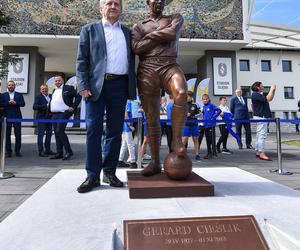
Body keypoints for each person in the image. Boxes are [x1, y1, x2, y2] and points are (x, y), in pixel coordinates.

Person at [76, 0, 136, 193]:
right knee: (93, 130)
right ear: (101, 8)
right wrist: (83, 85)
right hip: (95, 87)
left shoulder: (128, 33)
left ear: (121, 8)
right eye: (108, 3)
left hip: (119, 86)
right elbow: (82, 60)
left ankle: (109, 172)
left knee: (115, 130)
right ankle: (92, 175)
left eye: (116, 4)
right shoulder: (89, 30)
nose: (112, 6)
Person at [132, 0, 188, 176]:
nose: (160, 1)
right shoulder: (138, 26)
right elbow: (136, 48)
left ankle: (177, 140)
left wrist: (149, 37)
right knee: (151, 117)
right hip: (147, 69)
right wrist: (158, 36)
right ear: (148, 2)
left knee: (181, 92)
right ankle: (155, 162)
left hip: (169, 64)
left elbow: (172, 33)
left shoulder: (175, 18)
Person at [49, 75, 81, 161]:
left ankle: (69, 151)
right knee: (56, 133)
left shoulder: (69, 88)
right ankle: (59, 153)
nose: (57, 82)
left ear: (63, 81)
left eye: (59, 80)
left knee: (60, 131)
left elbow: (78, 96)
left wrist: (73, 107)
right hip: (54, 114)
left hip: (64, 113)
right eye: (56, 81)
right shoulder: (54, 90)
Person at [251, 81, 276, 161]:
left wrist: (273, 91)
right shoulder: (256, 94)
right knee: (262, 135)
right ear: (258, 87)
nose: (263, 87)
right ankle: (261, 152)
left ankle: (258, 151)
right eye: (262, 86)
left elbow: (269, 99)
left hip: (261, 116)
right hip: (261, 117)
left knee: (259, 134)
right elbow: (268, 98)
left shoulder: (258, 95)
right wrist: (271, 89)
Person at [0, 80, 25, 157]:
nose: (11, 86)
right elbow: (1, 104)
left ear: (15, 86)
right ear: (7, 86)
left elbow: (23, 104)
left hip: (17, 116)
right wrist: (8, 103)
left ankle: (17, 151)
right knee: (7, 135)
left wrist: (15, 103)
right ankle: (9, 151)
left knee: (18, 134)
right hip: (7, 117)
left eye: (12, 85)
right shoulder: (3, 95)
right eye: (9, 85)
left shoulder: (19, 94)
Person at [33, 84, 55, 157]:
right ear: (40, 90)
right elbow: (35, 106)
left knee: (49, 135)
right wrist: (45, 106)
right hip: (41, 118)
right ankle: (41, 151)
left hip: (50, 118)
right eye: (43, 89)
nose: (44, 90)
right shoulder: (38, 97)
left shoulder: (51, 96)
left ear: (47, 89)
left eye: (45, 89)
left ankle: (48, 150)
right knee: (41, 135)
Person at [117, 100, 137, 169]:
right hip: (127, 126)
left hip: (124, 126)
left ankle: (120, 160)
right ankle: (133, 161)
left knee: (124, 144)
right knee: (130, 144)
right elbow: (126, 114)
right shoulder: (128, 102)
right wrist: (130, 125)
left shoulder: (125, 101)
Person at [182, 91, 201, 161]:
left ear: (191, 97)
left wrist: (191, 115)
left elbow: (200, 114)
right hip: (185, 124)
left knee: (195, 139)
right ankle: (181, 154)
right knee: (184, 139)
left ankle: (197, 154)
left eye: (188, 96)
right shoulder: (182, 104)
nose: (186, 98)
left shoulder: (195, 104)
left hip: (194, 124)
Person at [201, 94, 221, 159]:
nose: (205, 100)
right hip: (205, 125)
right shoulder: (204, 107)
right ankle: (209, 153)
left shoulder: (211, 105)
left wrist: (213, 117)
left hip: (211, 125)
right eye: (204, 99)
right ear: (202, 100)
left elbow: (219, 110)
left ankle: (214, 153)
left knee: (212, 140)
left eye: (206, 99)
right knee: (207, 140)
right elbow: (204, 115)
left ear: (209, 99)